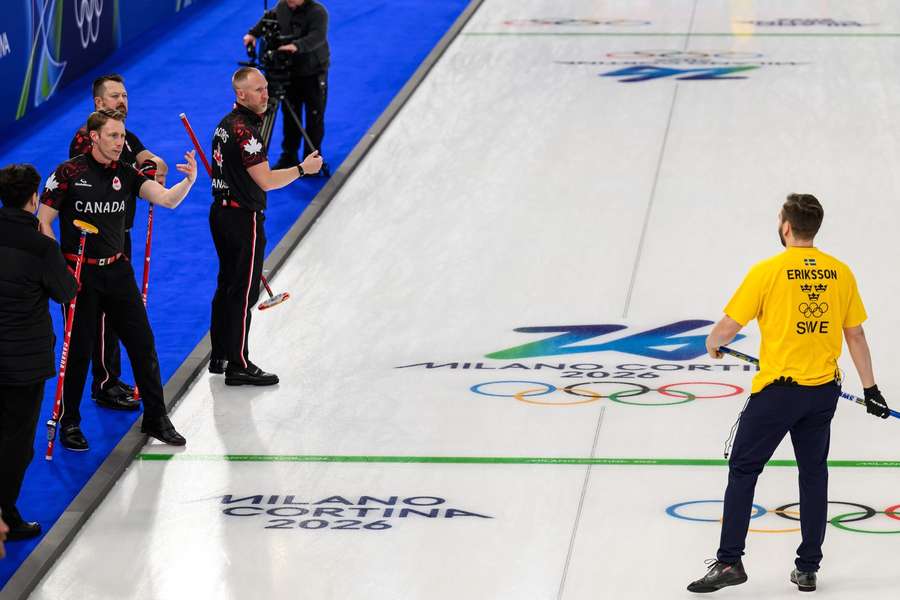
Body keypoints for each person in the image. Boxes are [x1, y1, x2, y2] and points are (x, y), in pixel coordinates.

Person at [687, 194, 891, 594]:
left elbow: (730, 324)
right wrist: (871, 389)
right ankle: (808, 567)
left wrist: (713, 341)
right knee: (813, 475)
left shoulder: (769, 271)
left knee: (744, 469)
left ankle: (729, 562)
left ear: (785, 227)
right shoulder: (840, 272)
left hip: (778, 395)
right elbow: (856, 334)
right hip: (822, 394)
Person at [38, 109, 197, 451]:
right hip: (80, 273)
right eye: (112, 136)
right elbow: (44, 222)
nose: (119, 143)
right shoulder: (68, 173)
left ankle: (156, 417)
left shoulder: (126, 173)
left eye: (122, 137)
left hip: (117, 270)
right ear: (94, 137)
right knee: (78, 351)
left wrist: (189, 181)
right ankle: (70, 422)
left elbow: (167, 200)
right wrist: (58, 269)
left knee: (143, 344)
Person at [208, 67, 322, 385]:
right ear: (241, 94)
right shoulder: (246, 131)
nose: (266, 94)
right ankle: (239, 363)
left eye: (266, 88)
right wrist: (302, 168)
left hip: (221, 212)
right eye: (258, 89)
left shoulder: (225, 125)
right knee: (243, 292)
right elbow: (268, 181)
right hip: (243, 218)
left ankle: (221, 354)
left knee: (228, 286)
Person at [70, 74, 168, 412]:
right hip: (93, 244)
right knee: (98, 319)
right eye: (114, 96)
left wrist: (154, 165)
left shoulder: (124, 137)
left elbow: (151, 160)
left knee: (114, 318)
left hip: (119, 236)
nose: (122, 101)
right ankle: (104, 383)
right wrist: (142, 173)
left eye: (125, 95)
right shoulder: (87, 140)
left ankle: (110, 375)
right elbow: (119, 172)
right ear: (99, 103)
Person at [0, 164, 77, 540]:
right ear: (34, 199)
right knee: (15, 441)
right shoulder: (41, 246)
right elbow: (66, 291)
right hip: (22, 363)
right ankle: (6, 515)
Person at [243, 0, 330, 170]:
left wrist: (296, 46)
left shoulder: (318, 12)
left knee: (314, 117)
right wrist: (253, 34)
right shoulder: (282, 6)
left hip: (313, 72)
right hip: (288, 72)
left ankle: (312, 161)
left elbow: (317, 37)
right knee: (290, 116)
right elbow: (267, 21)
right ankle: (289, 156)